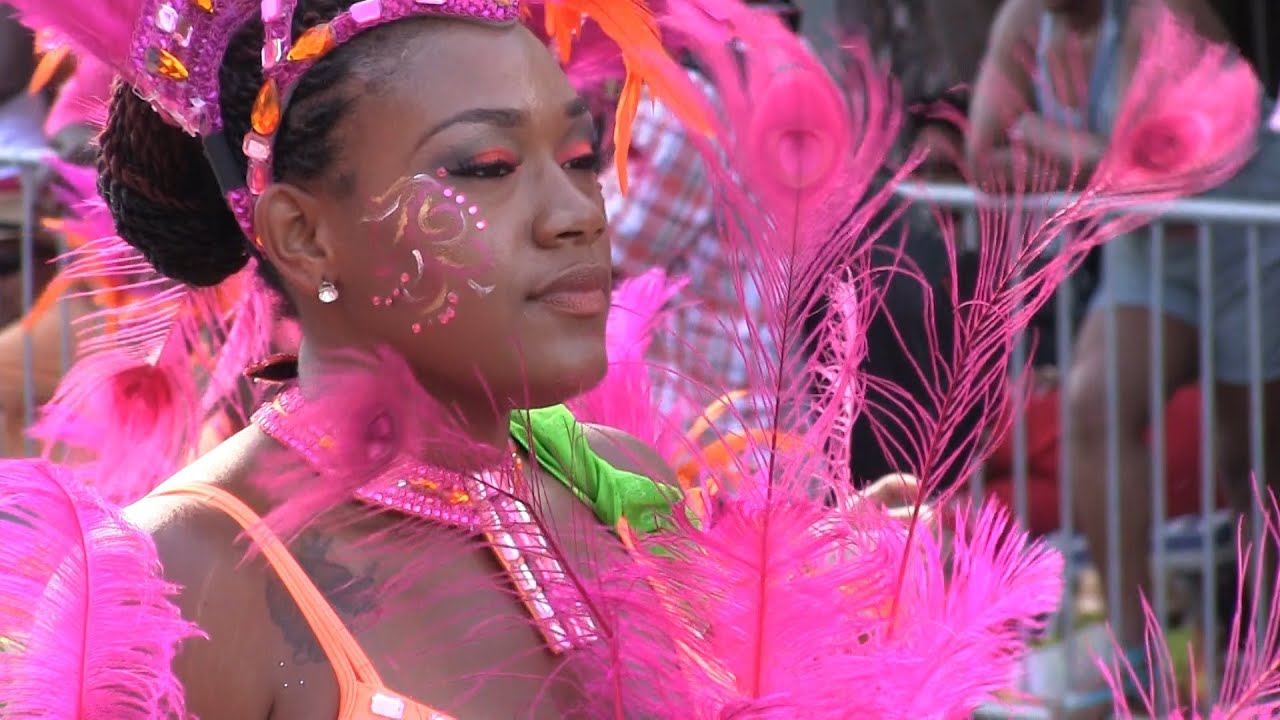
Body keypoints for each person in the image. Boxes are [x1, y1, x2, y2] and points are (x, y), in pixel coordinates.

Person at [968, 0, 1280, 711]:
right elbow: (985, 153)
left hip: (1245, 229)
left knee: (1253, 458)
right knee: (1092, 408)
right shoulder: (1024, 21)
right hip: (1148, 244)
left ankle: (1266, 659)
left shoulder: (1159, 13)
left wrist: (1036, 134)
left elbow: (1149, 170)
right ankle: (1136, 664)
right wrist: (1098, 163)